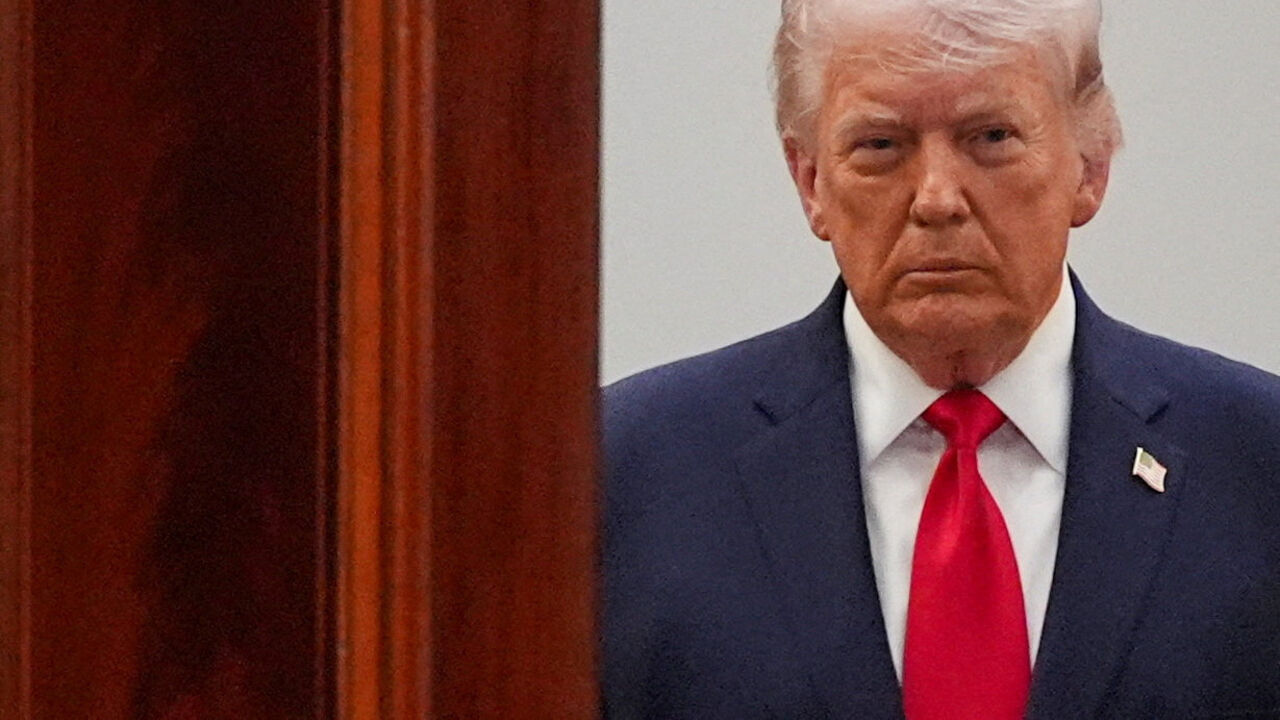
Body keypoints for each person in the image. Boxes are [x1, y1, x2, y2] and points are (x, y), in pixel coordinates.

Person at [600, 1, 1280, 718]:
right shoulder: (625, 476)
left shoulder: (1257, 466)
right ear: (810, 182)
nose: (936, 199)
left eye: (990, 137)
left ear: (1091, 166)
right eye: (881, 146)